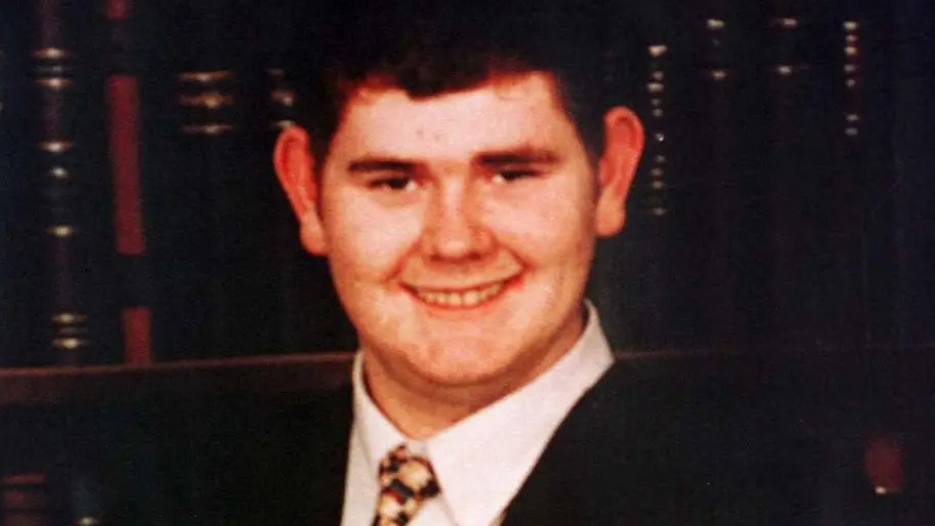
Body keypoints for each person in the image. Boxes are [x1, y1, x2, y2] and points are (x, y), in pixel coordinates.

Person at [207, 2, 817, 525]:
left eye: (510, 174)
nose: (454, 243)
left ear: (610, 178)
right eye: (394, 182)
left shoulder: (776, 504)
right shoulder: (188, 495)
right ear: (306, 194)